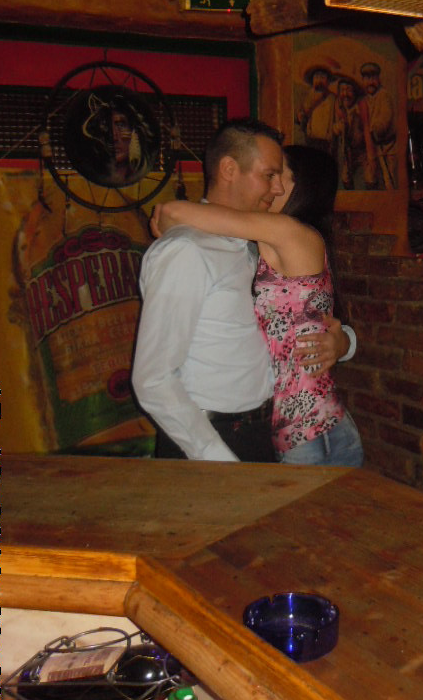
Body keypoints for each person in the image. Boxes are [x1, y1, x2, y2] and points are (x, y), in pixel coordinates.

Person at [131, 119, 356, 463]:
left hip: (268, 432)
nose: (277, 189)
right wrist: (218, 459)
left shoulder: (261, 245)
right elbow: (153, 379)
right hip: (210, 441)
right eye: (269, 175)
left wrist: (344, 342)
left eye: (282, 177)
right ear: (229, 169)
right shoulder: (188, 251)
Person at [359, 62, 397, 189]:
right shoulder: (363, 100)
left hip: (387, 148)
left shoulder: (384, 95)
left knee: (389, 181)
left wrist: (376, 129)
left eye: (373, 78)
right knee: (372, 180)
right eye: (367, 78)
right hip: (372, 148)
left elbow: (386, 117)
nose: (371, 82)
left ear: (378, 79)